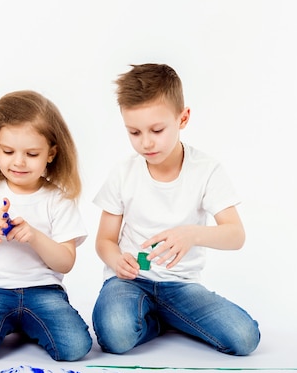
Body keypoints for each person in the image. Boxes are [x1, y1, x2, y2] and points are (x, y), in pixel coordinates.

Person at [91, 64, 260, 355]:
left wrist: (192, 235)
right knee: (115, 336)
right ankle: (158, 322)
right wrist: (117, 260)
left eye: (157, 130)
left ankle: (170, 316)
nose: (146, 142)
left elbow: (236, 235)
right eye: (134, 132)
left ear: (183, 118)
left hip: (181, 286)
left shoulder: (206, 170)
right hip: (130, 282)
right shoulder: (123, 173)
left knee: (244, 338)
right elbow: (105, 240)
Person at [0, 90, 92, 361]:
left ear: (51, 154)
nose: (18, 162)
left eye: (31, 154)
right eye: (8, 151)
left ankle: (27, 323)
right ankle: (12, 322)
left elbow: (65, 262)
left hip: (43, 290)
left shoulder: (58, 199)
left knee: (75, 348)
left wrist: (34, 236)